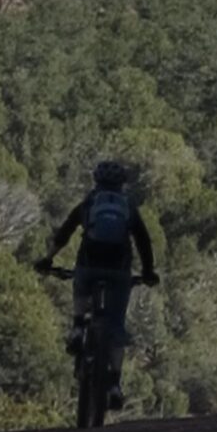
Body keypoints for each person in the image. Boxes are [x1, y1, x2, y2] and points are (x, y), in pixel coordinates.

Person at [37, 159, 159, 399]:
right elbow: (143, 241)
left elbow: (65, 233)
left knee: (80, 285)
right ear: (122, 184)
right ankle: (114, 384)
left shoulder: (89, 203)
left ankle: (77, 326)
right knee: (116, 327)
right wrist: (148, 272)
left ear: (96, 181)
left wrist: (47, 260)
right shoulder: (129, 207)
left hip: (89, 265)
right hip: (119, 271)